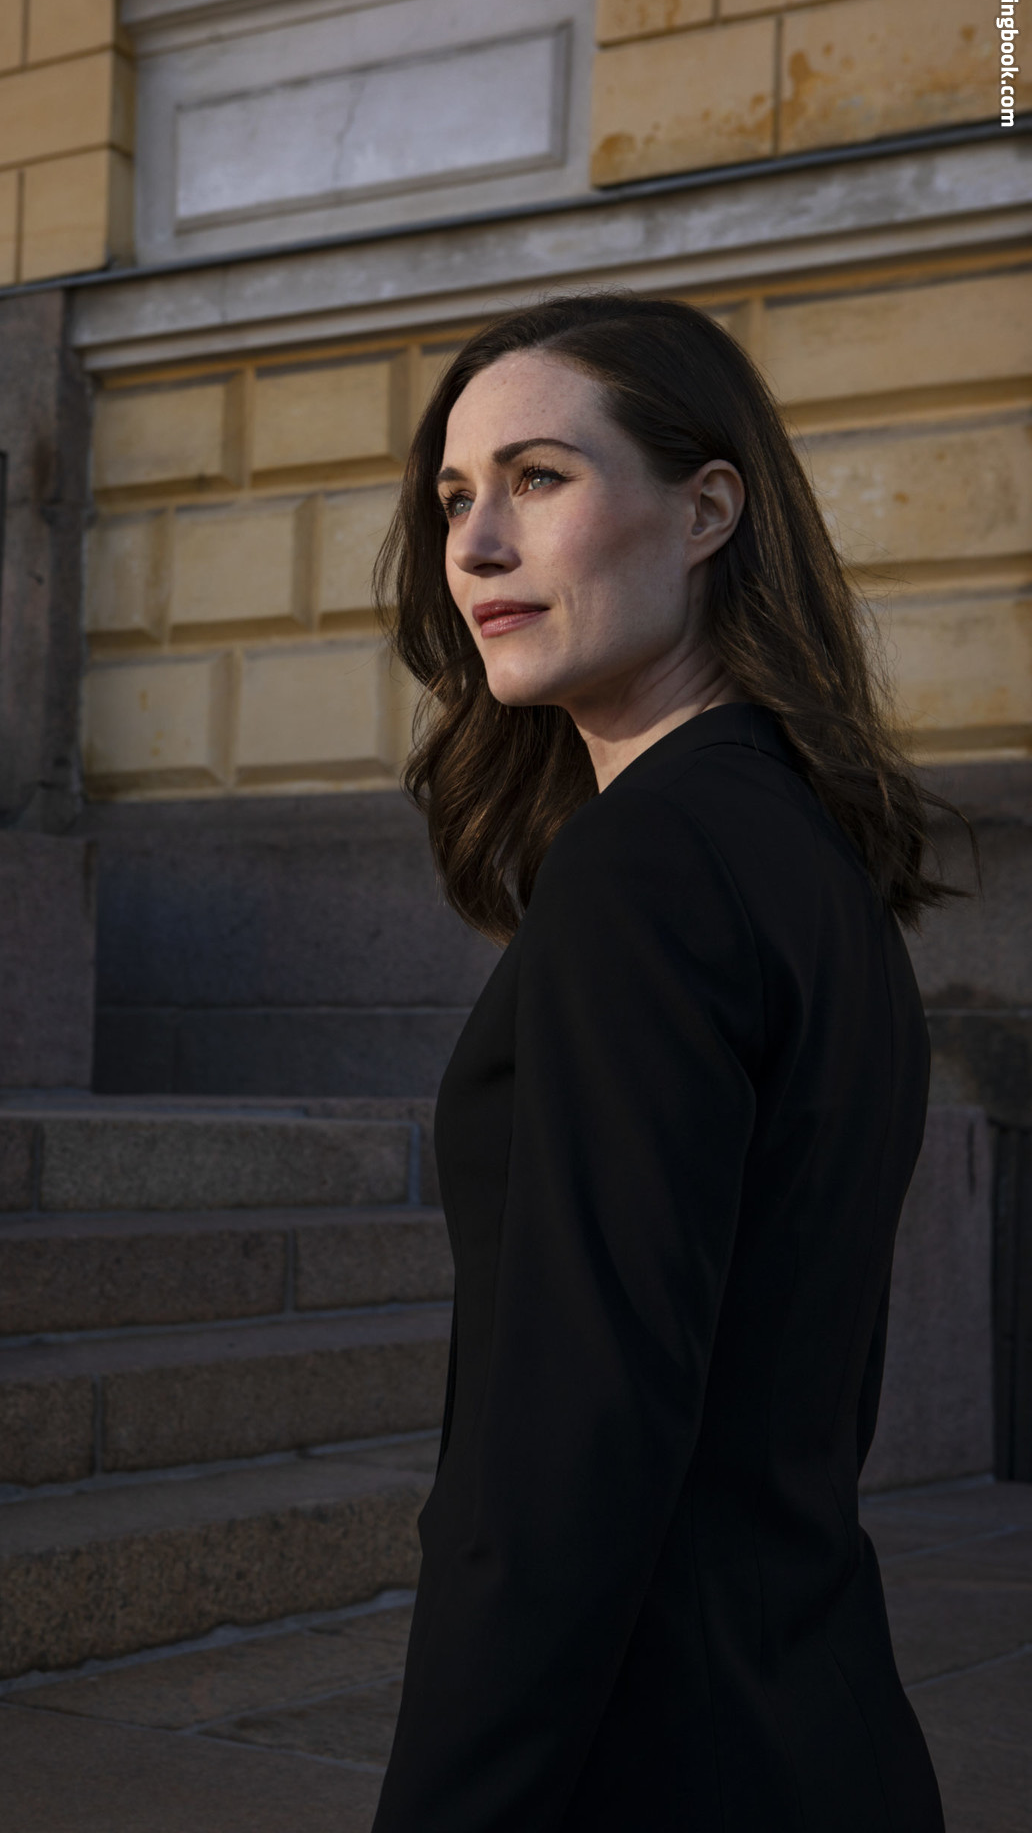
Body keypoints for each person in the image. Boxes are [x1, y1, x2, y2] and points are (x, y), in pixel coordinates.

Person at [370, 293, 961, 1832]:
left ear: (707, 512)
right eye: (454, 495)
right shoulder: (802, 850)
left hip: (662, 1759)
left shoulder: (646, 868)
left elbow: (568, 1448)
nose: (475, 545)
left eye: (538, 478)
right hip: (813, 1720)